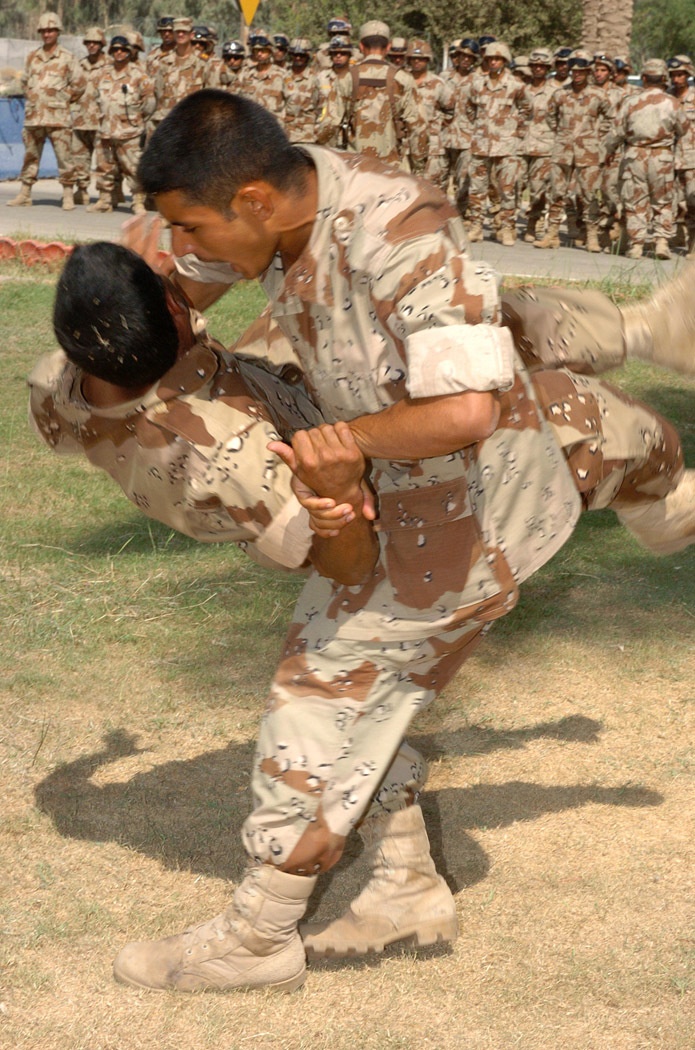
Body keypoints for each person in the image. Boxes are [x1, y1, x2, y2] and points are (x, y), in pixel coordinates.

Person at [73, 89, 695, 993]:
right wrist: (134, 284)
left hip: (476, 503)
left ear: (253, 200)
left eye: (193, 228)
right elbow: (189, 285)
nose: (189, 250)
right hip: (403, 487)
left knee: (327, 687)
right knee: (369, 673)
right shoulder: (272, 209)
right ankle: (403, 887)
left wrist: (346, 443)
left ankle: (256, 939)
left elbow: (466, 409)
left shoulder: (394, 239)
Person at [316, 20, 428, 173]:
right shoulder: (403, 79)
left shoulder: (345, 78)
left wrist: (330, 159)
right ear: (388, 47)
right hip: (392, 169)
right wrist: (418, 168)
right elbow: (418, 128)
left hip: (355, 168)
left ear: (361, 46)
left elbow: (328, 126)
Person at [606, 58, 688, 260]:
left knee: (636, 201)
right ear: (663, 78)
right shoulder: (673, 103)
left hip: (635, 156)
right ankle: (661, 242)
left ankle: (636, 245)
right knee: (663, 200)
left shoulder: (630, 102)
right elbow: (683, 128)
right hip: (662, 157)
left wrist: (608, 151)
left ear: (643, 78)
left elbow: (616, 132)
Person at [7, 12, 86, 210]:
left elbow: (80, 84)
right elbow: (24, 81)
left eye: (51, 30)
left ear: (57, 32)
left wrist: (62, 97)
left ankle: (68, 194)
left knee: (64, 158)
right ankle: (25, 193)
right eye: (44, 31)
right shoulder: (33, 57)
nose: (47, 34)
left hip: (58, 117)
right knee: (30, 156)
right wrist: (34, 97)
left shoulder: (67, 58)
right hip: (34, 117)